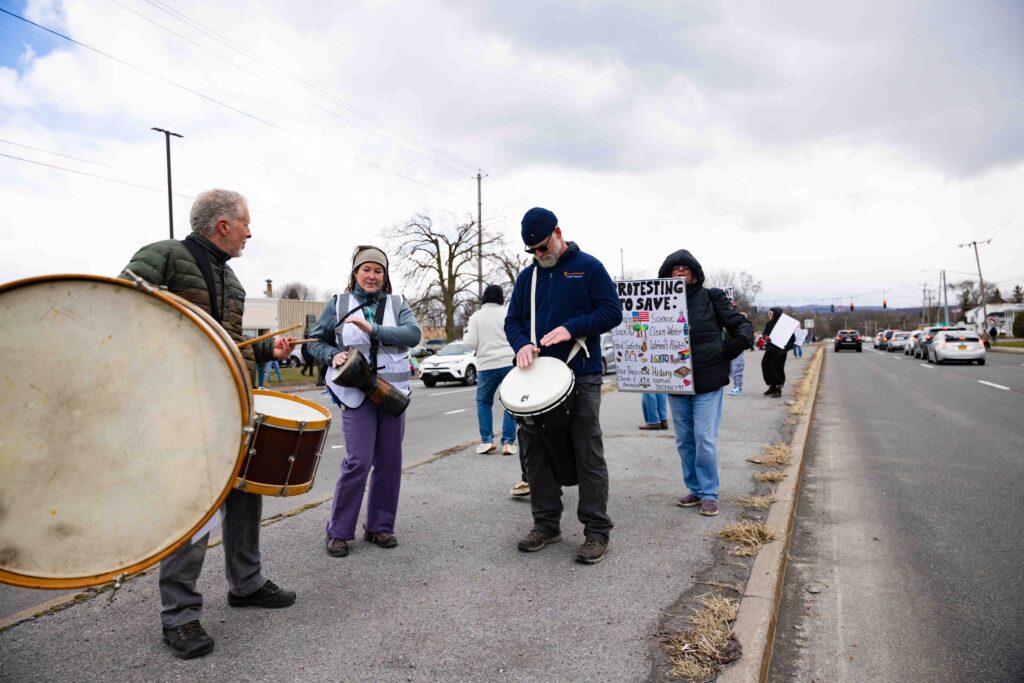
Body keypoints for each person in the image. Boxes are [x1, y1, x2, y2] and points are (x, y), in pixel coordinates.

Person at [120, 189, 297, 660]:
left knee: (245, 493)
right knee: (193, 507)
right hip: (181, 406)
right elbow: (120, 311)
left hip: (232, 403)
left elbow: (231, 342)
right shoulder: (164, 255)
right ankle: (179, 616)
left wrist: (267, 349)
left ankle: (247, 583)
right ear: (222, 225)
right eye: (245, 223)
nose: (249, 232)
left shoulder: (231, 277)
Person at [505, 207, 622, 564]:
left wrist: (573, 327)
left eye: (543, 247)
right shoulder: (528, 278)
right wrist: (521, 343)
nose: (539, 254)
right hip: (538, 378)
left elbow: (612, 311)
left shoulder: (589, 267)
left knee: (587, 451)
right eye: (533, 251)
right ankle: (546, 523)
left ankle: (596, 530)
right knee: (535, 452)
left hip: (582, 374)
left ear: (558, 233)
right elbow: (512, 321)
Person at [305, 246, 421, 559]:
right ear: (355, 273)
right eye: (366, 269)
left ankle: (380, 526)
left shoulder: (398, 303)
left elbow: (413, 335)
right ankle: (338, 532)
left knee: (389, 461)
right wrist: (332, 354)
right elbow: (314, 342)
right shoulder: (338, 303)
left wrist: (375, 330)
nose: (372, 276)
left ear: (385, 276)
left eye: (378, 271)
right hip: (356, 393)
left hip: (392, 394)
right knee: (358, 461)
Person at [657, 250, 753, 517]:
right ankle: (695, 489)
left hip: (708, 380)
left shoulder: (712, 297)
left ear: (695, 273)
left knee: (704, 439)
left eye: (685, 268)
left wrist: (730, 348)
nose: (680, 271)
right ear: (667, 274)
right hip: (675, 382)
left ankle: (710, 493)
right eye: (675, 268)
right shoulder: (659, 302)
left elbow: (741, 325)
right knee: (685, 441)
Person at [464, 284, 519, 456]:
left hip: (486, 365)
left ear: (485, 298)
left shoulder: (476, 317)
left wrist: (466, 335)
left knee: (484, 402)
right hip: (509, 362)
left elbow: (471, 343)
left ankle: (487, 441)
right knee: (510, 403)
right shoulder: (508, 313)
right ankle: (508, 443)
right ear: (501, 298)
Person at [761, 307, 794, 398]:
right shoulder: (769, 323)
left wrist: (785, 349)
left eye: (771, 313)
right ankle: (772, 386)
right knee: (765, 365)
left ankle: (778, 388)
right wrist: (766, 337)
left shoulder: (786, 325)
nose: (770, 315)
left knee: (777, 367)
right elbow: (765, 333)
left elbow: (792, 339)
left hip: (780, 350)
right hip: (770, 349)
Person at [727, 314, 747, 396]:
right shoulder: (734, 327)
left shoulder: (743, 328)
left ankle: (739, 387)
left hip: (738, 350)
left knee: (738, 368)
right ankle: (735, 386)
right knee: (732, 369)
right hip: (733, 350)